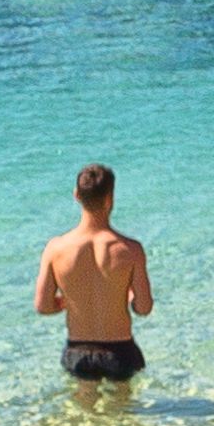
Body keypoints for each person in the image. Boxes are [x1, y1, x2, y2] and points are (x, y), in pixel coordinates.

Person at [34, 162, 153, 384]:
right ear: (111, 197)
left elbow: (43, 306)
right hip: (120, 351)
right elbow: (143, 308)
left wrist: (69, 301)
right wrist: (125, 297)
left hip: (78, 351)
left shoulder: (55, 248)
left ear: (76, 195)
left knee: (81, 415)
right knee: (123, 415)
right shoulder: (130, 249)